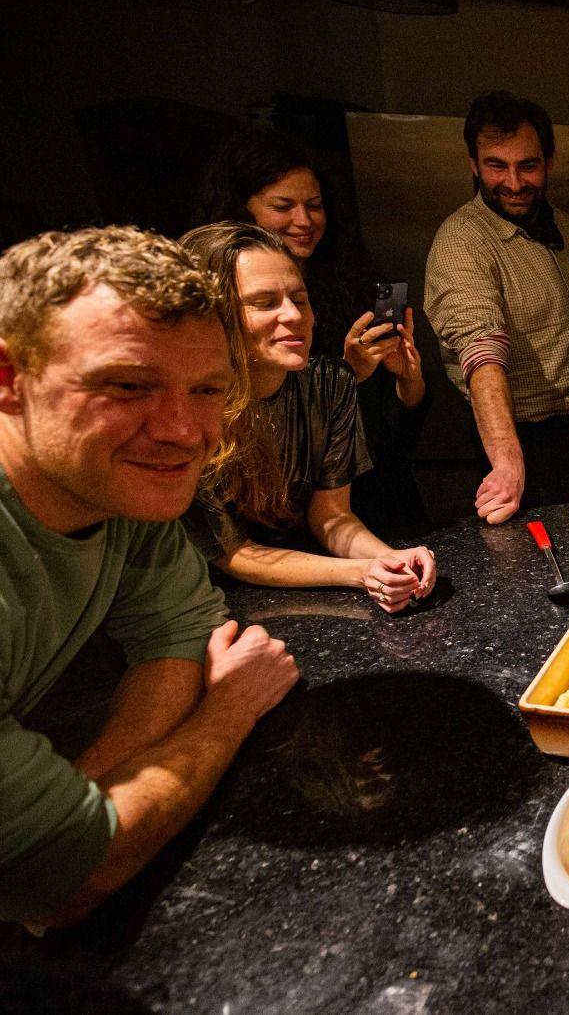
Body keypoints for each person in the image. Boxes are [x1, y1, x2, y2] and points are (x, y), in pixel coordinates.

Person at [0, 226, 298, 926]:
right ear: (9, 379)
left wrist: (93, 796)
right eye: (128, 386)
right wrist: (227, 713)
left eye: (205, 390)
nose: (183, 430)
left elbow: (179, 630)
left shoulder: (121, 488)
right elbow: (77, 875)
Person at [180, 223, 436, 614]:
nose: (292, 315)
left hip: (307, 587)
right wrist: (360, 572)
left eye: (299, 299)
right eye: (265, 303)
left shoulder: (329, 382)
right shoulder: (194, 409)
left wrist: (392, 561)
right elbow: (234, 554)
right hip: (214, 606)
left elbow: (332, 516)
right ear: (216, 317)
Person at [194, 130, 431, 529]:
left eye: (315, 206)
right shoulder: (213, 317)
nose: (303, 221)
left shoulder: (355, 285)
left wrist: (409, 383)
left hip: (372, 502)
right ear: (242, 210)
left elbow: (394, 441)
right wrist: (347, 373)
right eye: (283, 206)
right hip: (279, 523)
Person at [423, 91, 569, 519]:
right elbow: (481, 351)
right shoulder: (462, 242)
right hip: (520, 436)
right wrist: (508, 463)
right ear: (473, 164)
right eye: (496, 166)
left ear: (548, 162)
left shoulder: (559, 221)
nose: (515, 182)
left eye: (528, 165)